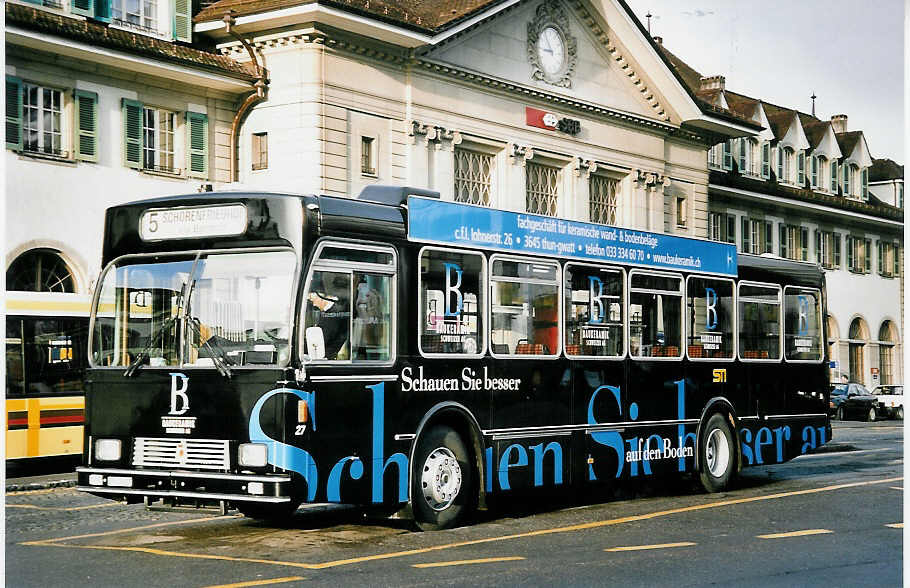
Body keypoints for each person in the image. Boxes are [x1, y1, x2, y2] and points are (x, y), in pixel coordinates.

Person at [307, 272, 351, 360]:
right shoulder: (325, 313)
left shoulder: (337, 314)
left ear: (321, 295)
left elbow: (324, 340)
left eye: (312, 296)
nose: (312, 301)